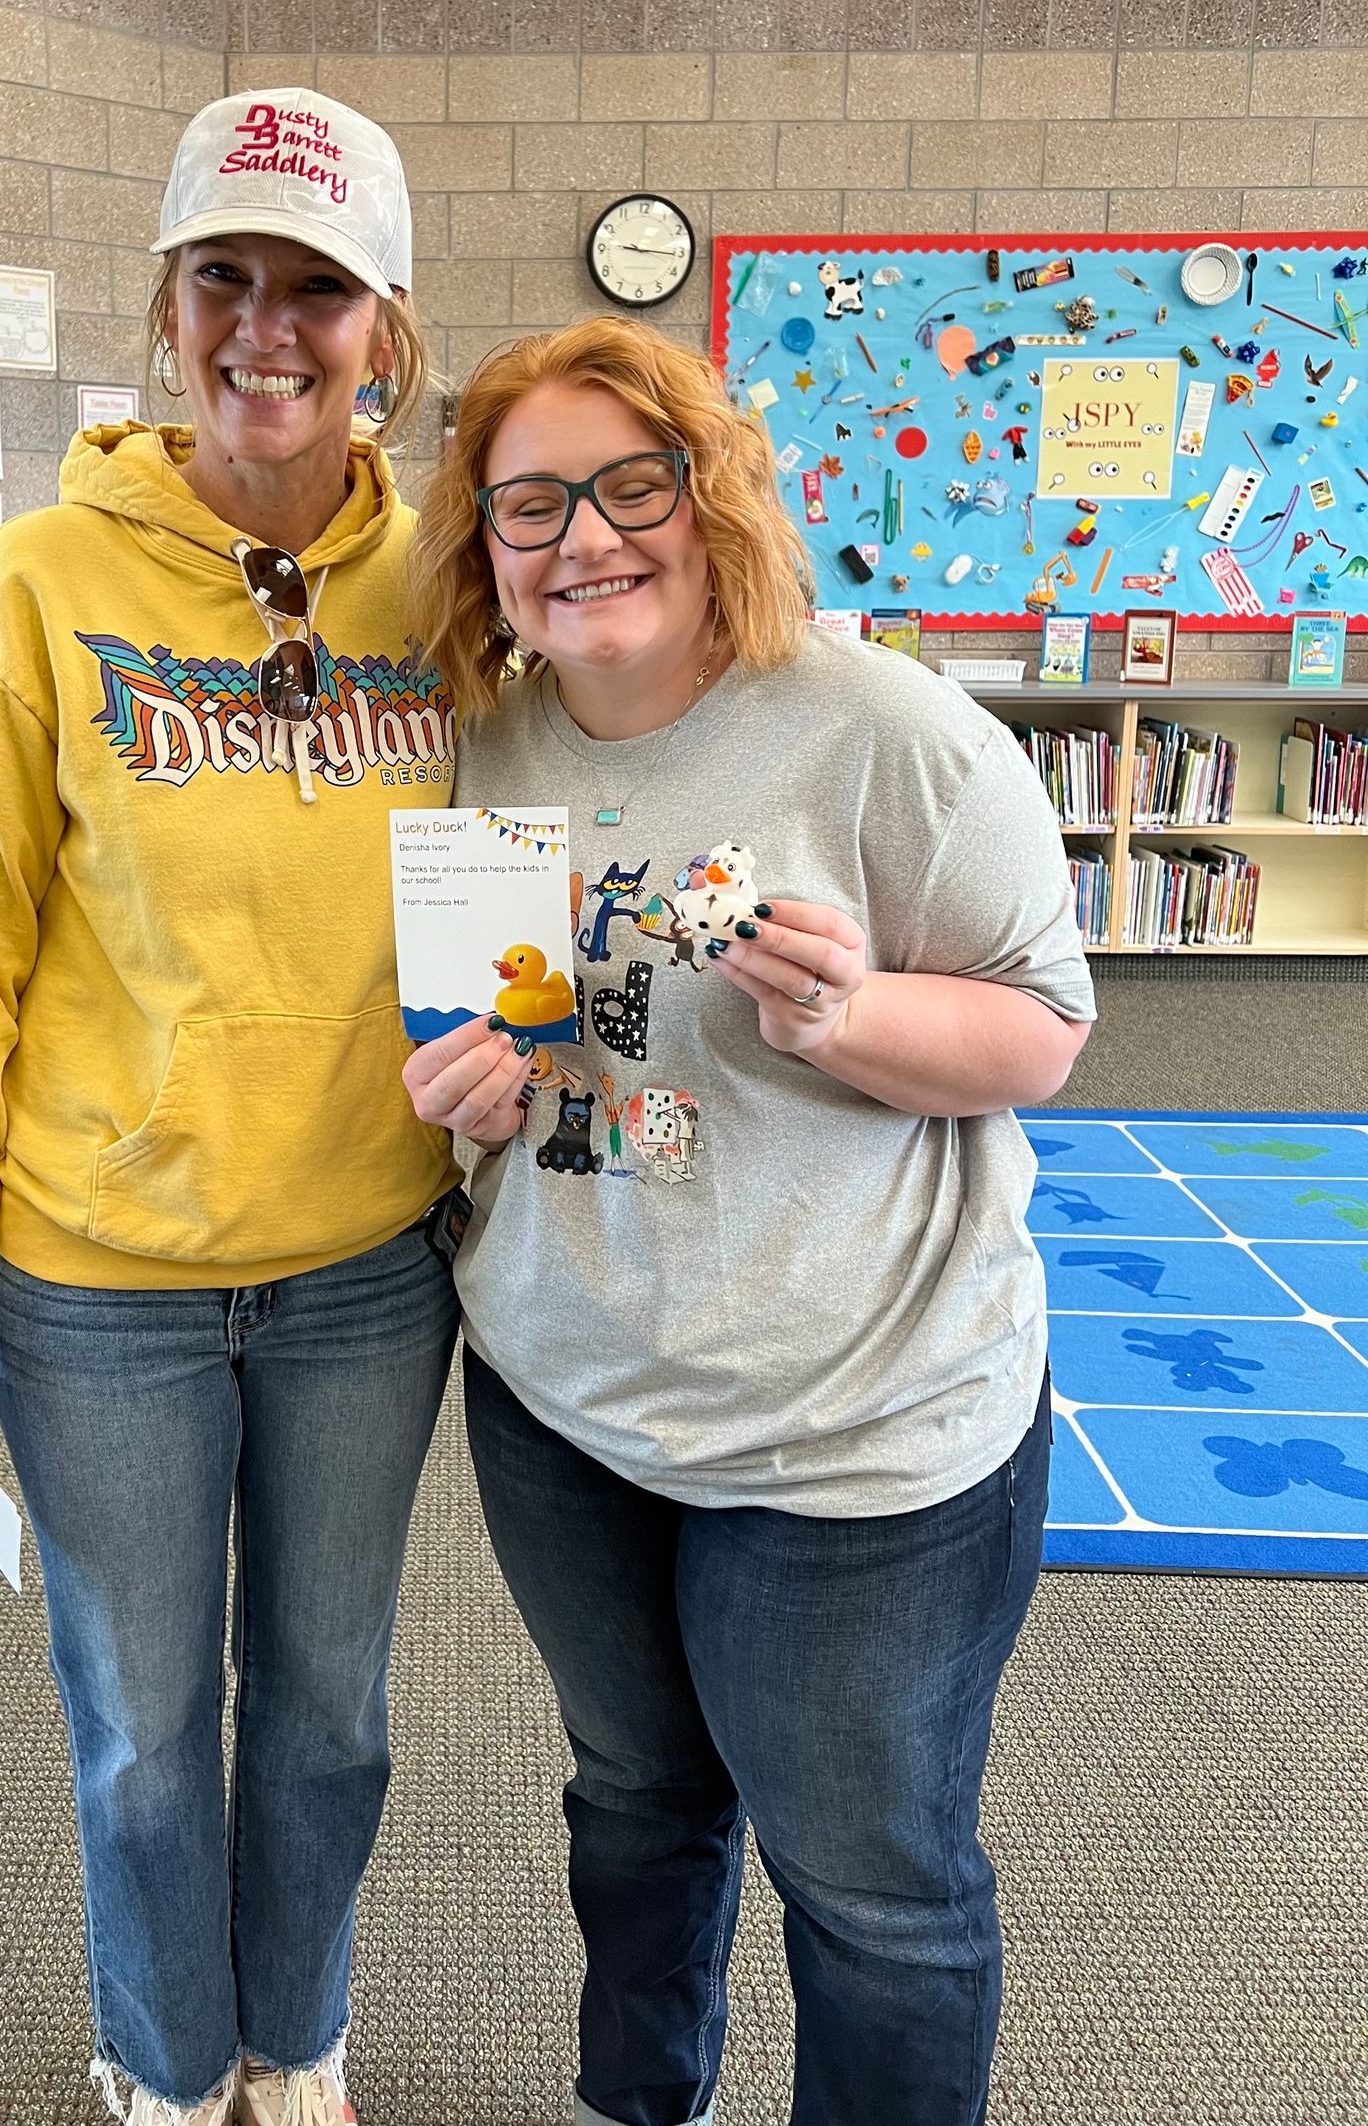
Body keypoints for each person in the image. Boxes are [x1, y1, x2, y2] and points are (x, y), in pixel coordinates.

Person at [403, 316, 1095, 2126]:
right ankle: (642, 2106)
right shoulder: (475, 749)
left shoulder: (888, 735)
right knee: (635, 1797)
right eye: (528, 504)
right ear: (481, 546)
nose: (584, 540)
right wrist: (462, 1095)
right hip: (567, 1399)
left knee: (868, 1880)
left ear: (713, 500)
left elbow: (1045, 1031)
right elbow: (487, 1029)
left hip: (854, 1430)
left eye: (632, 486)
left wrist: (848, 1018)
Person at [0, 88, 464, 2126]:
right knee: (140, 1727)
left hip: (370, 1272)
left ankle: (292, 2044)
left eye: (320, 285)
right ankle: (165, 2054)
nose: (268, 329)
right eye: (227, 276)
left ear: (388, 324)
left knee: (329, 1715)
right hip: (92, 1278)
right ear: (165, 305)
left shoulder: (451, 592)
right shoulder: (37, 591)